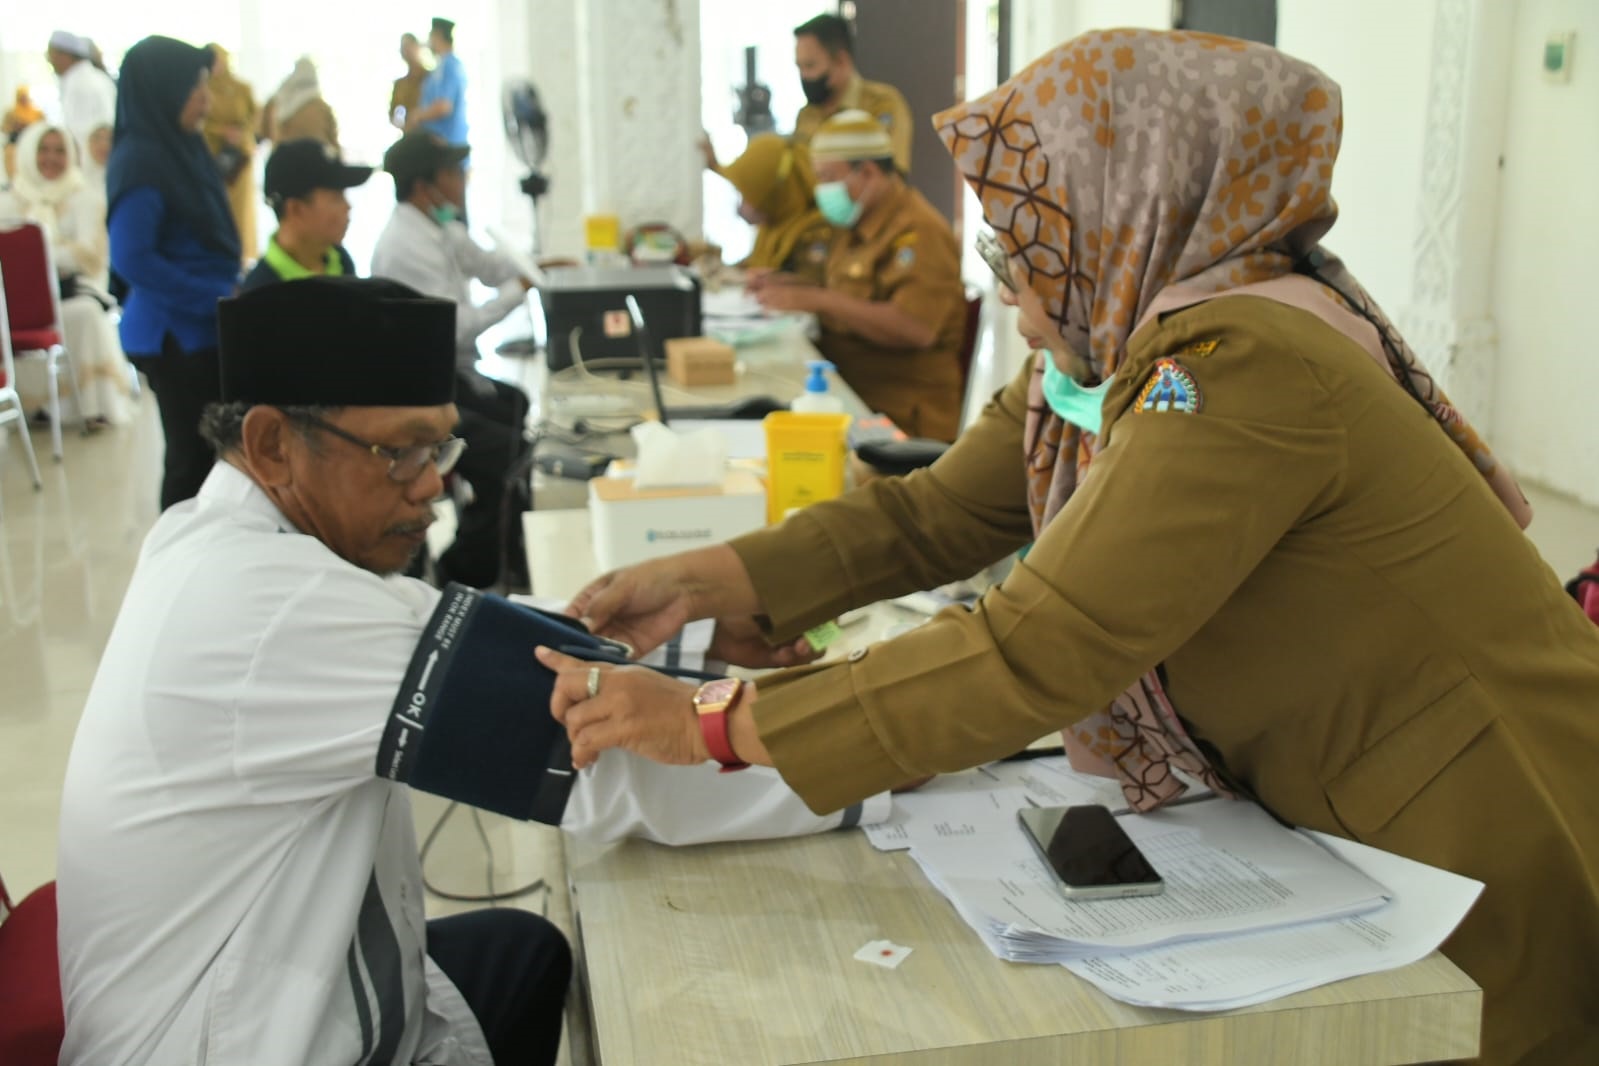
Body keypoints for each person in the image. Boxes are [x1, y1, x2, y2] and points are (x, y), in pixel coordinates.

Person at [537, 29, 1599, 1066]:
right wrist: (700, 579)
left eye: (1021, 243)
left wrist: (714, 724)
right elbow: (934, 515)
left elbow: (1041, 644)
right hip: (1348, 804)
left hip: (1479, 819)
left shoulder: (1235, 366)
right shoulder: (1116, 352)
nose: (1006, 285)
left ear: (1123, 207)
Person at [56, 276, 572, 1066]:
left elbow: (440, 629)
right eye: (399, 452)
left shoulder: (211, 533)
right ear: (270, 445)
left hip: (263, 991)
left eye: (439, 446)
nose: (433, 481)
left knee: (523, 950)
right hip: (220, 1044)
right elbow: (597, 731)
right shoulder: (273, 607)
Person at [371, 131, 530, 589]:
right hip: (423, 387)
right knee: (508, 451)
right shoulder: (406, 244)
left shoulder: (439, 226)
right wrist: (517, 295)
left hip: (453, 373)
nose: (463, 181)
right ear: (426, 186)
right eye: (454, 173)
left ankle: (510, 544)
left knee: (517, 406)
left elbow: (488, 265)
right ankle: (467, 567)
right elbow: (454, 328)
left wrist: (533, 265)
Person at [754, 109, 964, 442]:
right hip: (850, 395)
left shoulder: (920, 231)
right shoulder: (856, 221)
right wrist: (784, 285)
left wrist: (820, 301)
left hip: (901, 418)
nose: (822, 190)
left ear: (867, 172)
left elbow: (916, 328)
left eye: (827, 177)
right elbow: (843, 291)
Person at [107, 36, 241, 509]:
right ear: (162, 91)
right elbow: (132, 258)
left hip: (205, 326)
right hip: (174, 334)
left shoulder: (180, 147)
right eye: (194, 87)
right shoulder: (141, 160)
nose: (205, 98)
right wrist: (213, 294)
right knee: (191, 460)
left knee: (217, 455)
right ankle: (175, 563)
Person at [0, 123, 134, 426]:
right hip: (15, 303)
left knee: (86, 315)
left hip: (71, 293)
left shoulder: (85, 198)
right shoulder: (9, 201)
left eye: (60, 150)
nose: (51, 158)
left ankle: (89, 406)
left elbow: (88, 256)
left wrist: (37, 252)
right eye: (43, 150)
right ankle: (31, 404)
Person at [791, 13, 912, 174]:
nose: (804, 76)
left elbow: (888, 177)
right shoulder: (807, 115)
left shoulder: (882, 103)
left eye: (810, 66)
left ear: (841, 61)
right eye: (800, 67)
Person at [242, 139, 369, 290]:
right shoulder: (260, 293)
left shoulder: (341, 261)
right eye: (336, 198)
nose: (348, 206)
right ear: (295, 209)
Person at [710, 133, 831, 283]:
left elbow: (811, 285)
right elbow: (754, 264)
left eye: (747, 195)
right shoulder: (773, 227)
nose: (740, 206)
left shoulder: (813, 230)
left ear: (772, 196)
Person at [201, 45, 262, 263]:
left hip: (240, 159)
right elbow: (200, 122)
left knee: (242, 211)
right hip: (214, 157)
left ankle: (244, 254)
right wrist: (221, 131)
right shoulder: (202, 89)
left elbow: (256, 116)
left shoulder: (241, 88)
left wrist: (241, 133)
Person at [45, 30, 117, 180]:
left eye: (51, 53)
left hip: (88, 169)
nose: (48, 59)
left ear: (65, 55)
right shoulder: (96, 77)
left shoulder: (79, 83)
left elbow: (79, 134)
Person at [409, 18, 467, 150]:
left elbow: (444, 106)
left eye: (431, 35)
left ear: (438, 36)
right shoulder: (441, 66)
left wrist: (418, 116)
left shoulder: (449, 65)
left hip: (445, 141)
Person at [262, 57, 338, 150]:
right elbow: (333, 139)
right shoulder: (322, 108)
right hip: (314, 159)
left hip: (284, 158)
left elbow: (265, 131)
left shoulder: (278, 101)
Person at [390, 32, 429, 129]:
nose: (406, 51)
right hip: (410, 135)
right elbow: (395, 115)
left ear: (418, 47)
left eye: (409, 46)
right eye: (403, 47)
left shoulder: (431, 78)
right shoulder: (400, 85)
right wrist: (402, 124)